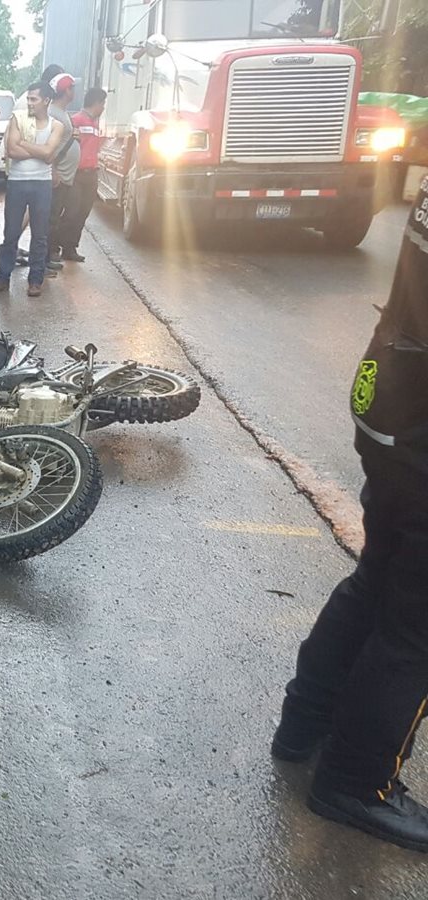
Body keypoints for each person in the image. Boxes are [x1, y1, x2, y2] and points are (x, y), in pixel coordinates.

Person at [272, 176, 428, 851]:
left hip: (397, 405)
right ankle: (358, 780)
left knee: (379, 581)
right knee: (416, 628)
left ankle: (306, 726)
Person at [0, 82, 63, 299]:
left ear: (46, 101)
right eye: (28, 98)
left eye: (34, 99)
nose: (29, 103)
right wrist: (41, 151)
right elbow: (11, 149)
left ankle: (35, 280)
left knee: (40, 235)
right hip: (18, 182)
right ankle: (3, 277)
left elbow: (49, 153)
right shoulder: (17, 119)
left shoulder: (56, 125)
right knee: (10, 232)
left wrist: (27, 145)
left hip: (42, 183)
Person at [58, 87, 107, 262]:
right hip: (77, 175)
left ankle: (70, 247)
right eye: (103, 104)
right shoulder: (75, 121)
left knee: (83, 213)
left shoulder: (95, 124)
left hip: (91, 174)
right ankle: (55, 245)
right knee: (71, 212)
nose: (103, 108)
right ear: (97, 103)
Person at [46, 71, 80, 272]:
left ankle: (50, 253)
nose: (74, 91)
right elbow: (50, 145)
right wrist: (53, 170)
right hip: (57, 175)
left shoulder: (62, 112)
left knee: (57, 216)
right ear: (66, 90)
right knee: (50, 218)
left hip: (65, 175)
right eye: (72, 88)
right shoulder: (53, 113)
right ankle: (46, 256)